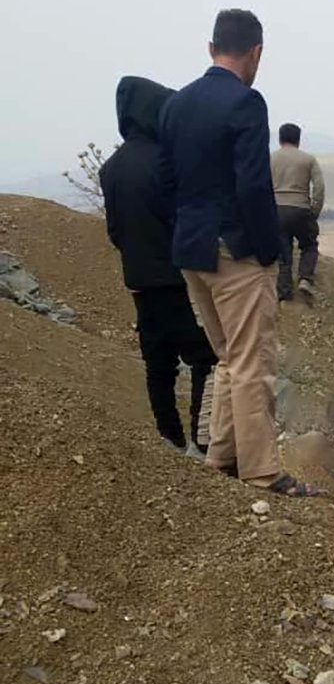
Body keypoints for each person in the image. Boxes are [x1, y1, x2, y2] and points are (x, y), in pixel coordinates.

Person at [159, 9, 323, 497]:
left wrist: (189, 230)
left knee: (229, 357)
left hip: (191, 250)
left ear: (211, 49)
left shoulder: (174, 105)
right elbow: (254, 186)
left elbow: (165, 182)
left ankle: (221, 457)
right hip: (235, 251)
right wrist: (267, 250)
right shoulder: (246, 103)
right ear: (256, 53)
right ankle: (263, 471)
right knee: (253, 362)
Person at [100, 76, 217, 458]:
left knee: (158, 362)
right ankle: (201, 444)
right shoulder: (165, 162)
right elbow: (182, 220)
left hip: (138, 281)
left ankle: (169, 439)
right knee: (206, 357)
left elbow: (114, 231)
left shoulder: (111, 168)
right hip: (174, 278)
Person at [270, 122, 325, 301]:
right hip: (301, 209)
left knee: (283, 252)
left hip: (277, 210)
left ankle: (284, 294)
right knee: (309, 245)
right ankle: (305, 279)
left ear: (279, 139)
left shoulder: (270, 158)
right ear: (299, 140)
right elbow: (319, 187)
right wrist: (314, 211)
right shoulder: (308, 159)